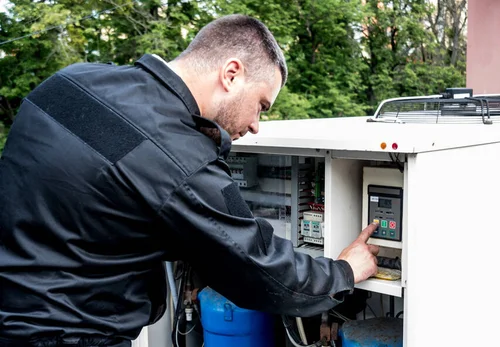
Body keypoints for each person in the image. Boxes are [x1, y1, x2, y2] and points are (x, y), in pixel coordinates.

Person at [0, 14, 380, 347]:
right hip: (67, 334)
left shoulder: (69, 82)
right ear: (232, 74)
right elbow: (259, 266)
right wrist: (344, 271)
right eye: (261, 105)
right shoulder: (180, 158)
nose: (255, 124)